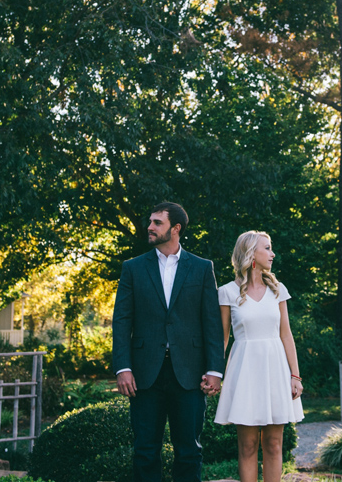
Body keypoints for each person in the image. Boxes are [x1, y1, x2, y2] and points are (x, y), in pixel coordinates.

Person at [112, 201, 226, 482]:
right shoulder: (133, 268)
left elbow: (211, 322)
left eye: (157, 223)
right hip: (144, 374)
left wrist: (215, 370)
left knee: (189, 451)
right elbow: (121, 321)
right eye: (150, 222)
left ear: (176, 228)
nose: (149, 227)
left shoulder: (201, 268)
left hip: (189, 374)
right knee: (145, 450)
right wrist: (122, 367)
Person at [214, 230, 304, 482]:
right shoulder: (227, 292)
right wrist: (214, 373)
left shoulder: (278, 290)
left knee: (275, 444)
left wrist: (295, 375)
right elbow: (222, 339)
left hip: (276, 369)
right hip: (244, 372)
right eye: (267, 248)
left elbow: (286, 335)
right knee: (248, 446)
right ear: (251, 254)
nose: (272, 253)